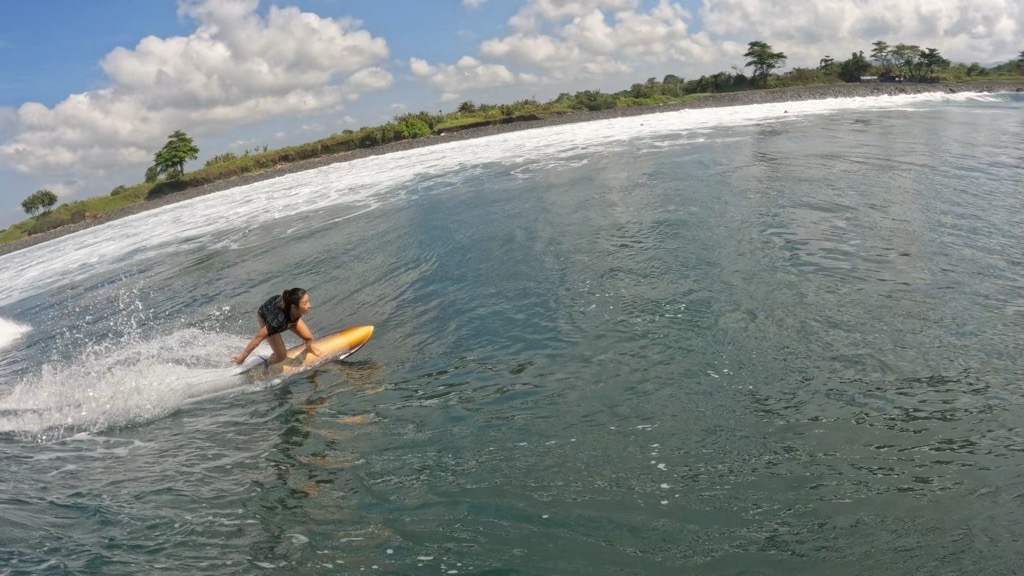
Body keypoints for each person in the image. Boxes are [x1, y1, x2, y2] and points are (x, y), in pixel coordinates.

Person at [233, 288, 320, 365]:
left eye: (308, 301)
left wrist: (309, 347)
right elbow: (258, 337)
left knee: (308, 338)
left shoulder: (296, 310)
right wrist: (242, 357)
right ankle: (267, 365)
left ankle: (309, 349)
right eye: (305, 303)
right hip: (264, 317)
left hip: (287, 314)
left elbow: (306, 336)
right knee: (282, 356)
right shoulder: (277, 322)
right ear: (294, 307)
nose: (309, 305)